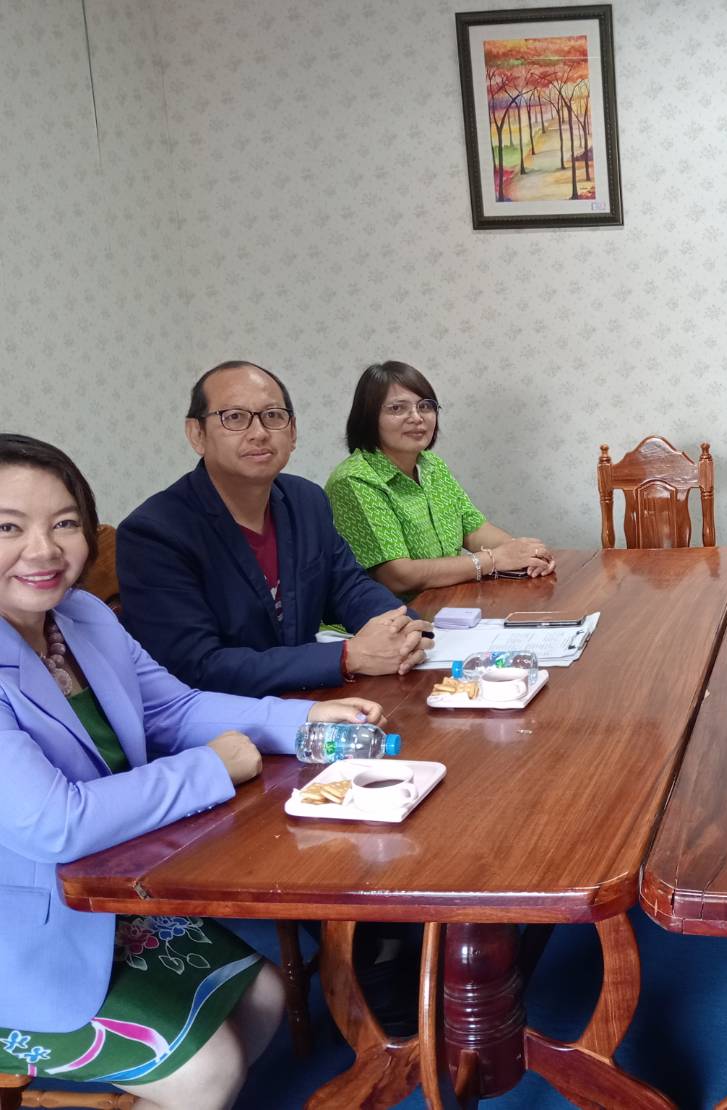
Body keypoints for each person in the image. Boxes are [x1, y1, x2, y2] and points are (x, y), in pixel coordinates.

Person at [0, 434, 382, 1110]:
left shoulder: (82, 615)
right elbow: (56, 823)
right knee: (210, 1069)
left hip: (103, 904)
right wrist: (210, 769)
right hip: (21, 940)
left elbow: (173, 707)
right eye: (8, 527)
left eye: (64, 523)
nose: (44, 550)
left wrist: (302, 722)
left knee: (266, 998)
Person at [117, 361, 430, 696]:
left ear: (292, 433)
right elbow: (196, 666)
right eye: (234, 417)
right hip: (227, 718)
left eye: (273, 416)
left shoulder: (305, 499)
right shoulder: (155, 534)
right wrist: (346, 657)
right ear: (197, 434)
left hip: (309, 699)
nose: (259, 433)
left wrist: (403, 627)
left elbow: (348, 587)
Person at [324, 361, 554, 598]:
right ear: (368, 418)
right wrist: (493, 560)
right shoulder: (354, 480)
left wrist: (524, 553)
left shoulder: (431, 465)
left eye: (425, 406)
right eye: (397, 408)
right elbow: (398, 576)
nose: (416, 417)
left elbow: (473, 529)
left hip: (448, 605)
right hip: (391, 616)